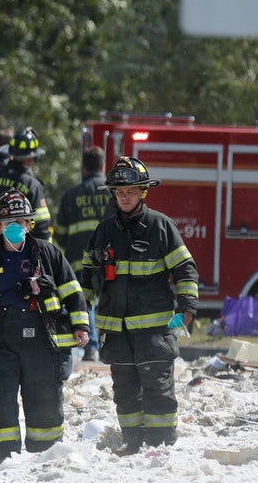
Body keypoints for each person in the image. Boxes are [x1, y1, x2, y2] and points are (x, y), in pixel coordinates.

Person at [0, 190, 89, 465]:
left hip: (42, 335)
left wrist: (80, 325)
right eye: (8, 223)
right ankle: (1, 456)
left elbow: (72, 290)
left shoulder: (48, 253)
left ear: (30, 225)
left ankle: (45, 454)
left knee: (44, 396)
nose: (15, 228)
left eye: (21, 222)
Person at [81, 157, 199, 454]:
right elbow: (86, 277)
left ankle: (160, 447)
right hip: (116, 331)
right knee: (125, 392)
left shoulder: (160, 226)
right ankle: (132, 444)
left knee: (158, 389)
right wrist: (78, 315)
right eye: (120, 192)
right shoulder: (104, 231)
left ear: (144, 191)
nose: (125, 197)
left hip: (154, 331)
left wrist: (186, 309)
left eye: (131, 191)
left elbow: (185, 269)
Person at [54, 145, 113, 361]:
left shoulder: (71, 194)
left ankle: (91, 347)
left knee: (83, 300)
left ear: (84, 167)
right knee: (109, 301)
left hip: (79, 258)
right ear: (103, 166)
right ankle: (108, 347)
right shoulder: (112, 193)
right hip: (109, 259)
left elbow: (59, 231)